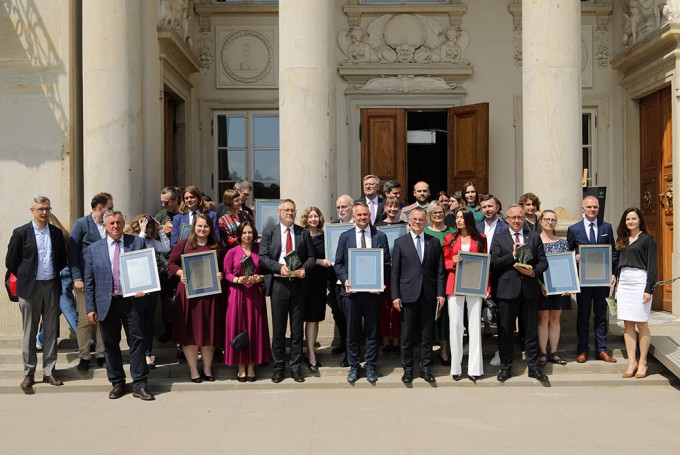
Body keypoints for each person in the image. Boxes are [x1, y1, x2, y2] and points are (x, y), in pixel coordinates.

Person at [84, 210, 154, 400]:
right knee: (110, 344)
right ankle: (117, 382)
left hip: (132, 301)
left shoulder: (136, 242)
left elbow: (145, 269)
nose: (115, 226)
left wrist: (144, 287)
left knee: (137, 341)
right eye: (112, 223)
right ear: (105, 226)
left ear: (123, 224)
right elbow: (89, 281)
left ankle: (140, 383)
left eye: (119, 222)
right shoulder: (94, 249)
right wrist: (90, 307)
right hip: (107, 303)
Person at [6, 195, 67, 393]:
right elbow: (11, 262)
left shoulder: (56, 233)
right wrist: (26, 275)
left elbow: (62, 260)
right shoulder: (21, 233)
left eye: (47, 209)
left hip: (50, 286)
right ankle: (29, 373)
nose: (44, 212)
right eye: (40, 209)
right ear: (32, 211)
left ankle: (49, 371)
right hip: (29, 289)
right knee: (30, 332)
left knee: (50, 331)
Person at [259, 199, 315, 383]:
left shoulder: (303, 232)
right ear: (279, 212)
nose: (290, 213)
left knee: (297, 330)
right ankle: (278, 368)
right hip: (279, 285)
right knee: (279, 329)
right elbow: (263, 258)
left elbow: (312, 257)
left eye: (293, 210)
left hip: (298, 286)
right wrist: (278, 267)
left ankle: (295, 368)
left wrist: (304, 269)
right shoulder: (269, 232)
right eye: (286, 210)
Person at [491, 204, 548, 382]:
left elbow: (543, 263)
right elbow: (494, 264)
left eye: (520, 217)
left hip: (529, 290)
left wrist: (532, 272)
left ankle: (533, 367)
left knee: (530, 331)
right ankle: (506, 367)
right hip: (507, 292)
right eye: (513, 218)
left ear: (525, 219)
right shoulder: (499, 238)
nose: (516, 221)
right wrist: (513, 256)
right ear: (506, 219)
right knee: (505, 330)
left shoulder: (534, 237)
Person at [334, 203, 390, 384]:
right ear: (354, 217)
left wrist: (380, 282)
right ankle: (354, 366)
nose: (363, 218)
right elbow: (339, 264)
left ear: (370, 216)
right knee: (352, 331)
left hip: (373, 293)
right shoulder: (345, 237)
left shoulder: (380, 236)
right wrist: (345, 280)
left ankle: (371, 365)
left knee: (373, 331)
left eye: (366, 215)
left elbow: (387, 264)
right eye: (359, 215)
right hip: (352, 292)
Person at [168, 213, 225, 383]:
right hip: (189, 296)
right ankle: (194, 370)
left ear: (210, 229)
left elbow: (225, 269)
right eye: (199, 226)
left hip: (210, 296)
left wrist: (221, 274)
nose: (202, 229)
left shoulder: (217, 247)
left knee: (208, 332)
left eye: (206, 226)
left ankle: (207, 368)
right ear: (194, 227)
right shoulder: (183, 244)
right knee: (190, 334)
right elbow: (171, 264)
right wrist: (181, 273)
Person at [392, 207, 445, 383]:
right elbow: (395, 273)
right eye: (414, 219)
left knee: (426, 335)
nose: (417, 222)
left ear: (426, 221)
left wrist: (440, 293)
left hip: (428, 295)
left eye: (421, 219)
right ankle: (407, 369)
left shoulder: (434, 242)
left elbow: (439, 271)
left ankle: (426, 368)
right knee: (406, 336)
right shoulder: (400, 242)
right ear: (409, 220)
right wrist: (395, 296)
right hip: (407, 295)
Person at [567, 195, 618, 364]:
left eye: (595, 207)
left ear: (598, 208)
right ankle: (582, 349)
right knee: (583, 315)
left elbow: (613, 252)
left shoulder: (607, 227)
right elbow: (568, 253)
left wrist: (613, 272)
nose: (592, 210)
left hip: (602, 280)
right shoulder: (574, 229)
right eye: (589, 207)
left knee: (601, 316)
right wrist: (575, 257)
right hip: (584, 281)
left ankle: (601, 350)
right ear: (582, 209)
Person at [68, 192, 112, 371]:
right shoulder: (81, 224)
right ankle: (84, 355)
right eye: (110, 207)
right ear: (100, 208)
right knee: (85, 320)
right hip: (85, 281)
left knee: (103, 318)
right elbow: (72, 251)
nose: (112, 210)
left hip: (106, 281)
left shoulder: (110, 224)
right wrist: (77, 277)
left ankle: (101, 354)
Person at [443, 208, 488, 382]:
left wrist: (487, 288)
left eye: (462, 217)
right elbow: (445, 260)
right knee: (455, 325)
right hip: (454, 284)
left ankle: (475, 368)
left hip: (475, 285)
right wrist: (451, 262)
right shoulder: (450, 238)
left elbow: (486, 262)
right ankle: (456, 367)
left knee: (475, 324)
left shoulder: (481, 238)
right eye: (457, 218)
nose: (459, 220)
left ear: (469, 219)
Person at [223, 221, 270, 382]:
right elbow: (227, 273)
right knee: (237, 327)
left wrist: (260, 277)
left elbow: (266, 271)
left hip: (255, 294)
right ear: (239, 234)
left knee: (254, 328)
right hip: (237, 294)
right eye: (244, 233)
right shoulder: (232, 252)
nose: (247, 235)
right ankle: (240, 366)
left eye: (250, 232)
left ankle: (251, 365)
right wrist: (237, 280)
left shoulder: (259, 251)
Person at [124, 214, 171, 369]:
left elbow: (165, 248)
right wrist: (142, 232)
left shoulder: (150, 241)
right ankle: (138, 353)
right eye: (147, 227)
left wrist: (160, 230)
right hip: (134, 286)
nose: (150, 230)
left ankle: (147, 354)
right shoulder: (130, 238)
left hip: (150, 285)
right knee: (135, 322)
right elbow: (134, 249)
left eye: (151, 228)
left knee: (148, 321)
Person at [615, 207, 656, 379]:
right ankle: (632, 361)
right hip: (624, 282)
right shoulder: (622, 240)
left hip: (640, 282)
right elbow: (619, 263)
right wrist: (616, 284)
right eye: (627, 219)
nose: (631, 222)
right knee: (628, 324)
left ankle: (643, 361)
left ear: (640, 220)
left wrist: (649, 289)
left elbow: (652, 267)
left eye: (634, 218)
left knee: (641, 323)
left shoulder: (648, 240)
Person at [477, 194, 509, 366]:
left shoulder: (506, 227)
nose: (487, 210)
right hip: (480, 275)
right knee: (476, 313)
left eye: (490, 206)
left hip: (500, 275)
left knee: (501, 316)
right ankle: (476, 346)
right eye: (484, 207)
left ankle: (500, 350)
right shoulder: (476, 227)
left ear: (497, 207)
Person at [537, 210, 571, 367]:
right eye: (547, 219)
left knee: (555, 319)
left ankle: (554, 352)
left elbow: (567, 265)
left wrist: (568, 285)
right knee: (543, 319)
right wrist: (539, 284)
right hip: (542, 286)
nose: (550, 222)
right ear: (541, 221)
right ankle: (543, 353)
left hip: (559, 286)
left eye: (553, 220)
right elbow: (532, 265)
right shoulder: (535, 240)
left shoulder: (563, 242)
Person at [300, 206, 332, 373]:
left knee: (314, 318)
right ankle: (306, 352)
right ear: (306, 218)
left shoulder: (326, 237)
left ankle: (310, 350)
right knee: (302, 317)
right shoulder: (300, 235)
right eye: (310, 216)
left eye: (316, 216)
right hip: (303, 280)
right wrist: (319, 261)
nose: (313, 219)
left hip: (319, 282)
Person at [424, 201, 456, 366]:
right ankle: (427, 351)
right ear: (429, 214)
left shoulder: (452, 232)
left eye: (440, 212)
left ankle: (444, 350)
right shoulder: (423, 231)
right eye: (434, 212)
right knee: (427, 316)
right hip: (428, 280)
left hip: (449, 278)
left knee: (444, 317)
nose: (437, 215)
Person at [375, 196, 407, 354]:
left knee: (397, 308)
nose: (393, 209)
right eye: (390, 206)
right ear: (385, 208)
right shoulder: (378, 226)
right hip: (383, 272)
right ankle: (386, 342)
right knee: (384, 308)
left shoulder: (404, 226)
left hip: (401, 272)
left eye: (396, 206)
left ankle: (396, 341)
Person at [325, 194, 353, 366]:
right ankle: (344, 344)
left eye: (344, 207)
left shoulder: (360, 227)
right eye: (338, 208)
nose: (341, 210)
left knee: (353, 317)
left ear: (352, 207)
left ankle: (352, 351)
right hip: (335, 280)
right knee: (339, 315)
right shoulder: (332, 229)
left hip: (355, 280)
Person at [155, 186, 182, 342]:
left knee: (179, 298)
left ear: (176, 200)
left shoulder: (184, 215)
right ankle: (167, 330)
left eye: (167, 203)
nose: (164, 206)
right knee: (165, 297)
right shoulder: (161, 215)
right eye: (162, 203)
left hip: (181, 263)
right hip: (165, 264)